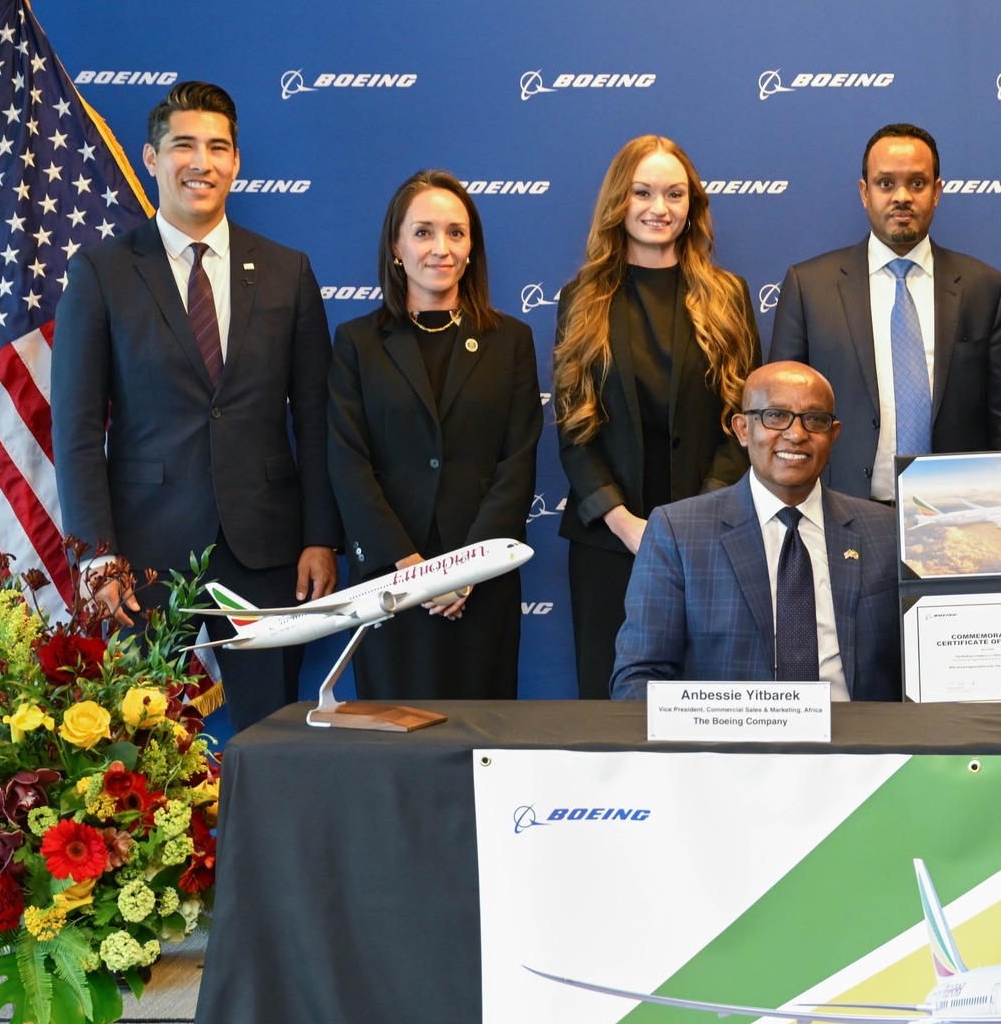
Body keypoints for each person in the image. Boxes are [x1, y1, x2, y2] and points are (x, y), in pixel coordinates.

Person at [51, 81, 339, 732]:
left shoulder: (288, 271)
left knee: (272, 740)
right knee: (136, 748)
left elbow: (317, 419)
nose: (200, 162)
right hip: (141, 559)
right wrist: (96, 553)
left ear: (236, 162)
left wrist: (320, 536)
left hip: (267, 553)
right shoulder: (101, 272)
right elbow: (75, 428)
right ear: (151, 158)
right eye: (183, 145)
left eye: (217, 147)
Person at [611, 363, 1001, 700]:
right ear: (741, 428)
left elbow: (958, 631)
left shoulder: (887, 529)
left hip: (865, 762)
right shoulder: (678, 532)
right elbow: (638, 678)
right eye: (775, 416)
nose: (796, 434)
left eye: (814, 420)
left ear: (833, 434)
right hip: (731, 761)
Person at [553, 136, 759, 698]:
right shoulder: (581, 298)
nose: (658, 208)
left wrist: (696, 522)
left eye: (674, 194)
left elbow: (744, 423)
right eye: (642, 193)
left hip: (711, 542)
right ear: (618, 201)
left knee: (706, 706)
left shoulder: (729, 296)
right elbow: (574, 431)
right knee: (610, 707)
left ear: (692, 204)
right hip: (607, 544)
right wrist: (625, 524)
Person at [327, 171, 541, 700]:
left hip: (481, 585)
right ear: (396, 248)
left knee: (483, 733)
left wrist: (465, 571)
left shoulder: (511, 341)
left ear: (471, 248)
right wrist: (411, 571)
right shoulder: (357, 342)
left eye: (455, 233)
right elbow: (349, 463)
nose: (440, 248)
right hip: (390, 584)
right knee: (393, 733)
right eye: (423, 232)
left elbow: (517, 463)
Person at [768, 123, 1001, 502]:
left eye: (917, 183)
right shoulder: (809, 286)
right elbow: (780, 411)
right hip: (839, 510)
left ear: (937, 192)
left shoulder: (986, 289)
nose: (902, 197)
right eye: (886, 183)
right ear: (865, 192)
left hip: (955, 511)